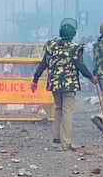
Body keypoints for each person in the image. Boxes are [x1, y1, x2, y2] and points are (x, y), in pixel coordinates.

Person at [32, 18, 96, 151]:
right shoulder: (75, 49)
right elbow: (81, 66)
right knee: (67, 112)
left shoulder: (51, 46)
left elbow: (43, 63)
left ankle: (57, 136)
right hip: (69, 84)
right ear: (73, 35)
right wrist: (91, 77)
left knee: (58, 108)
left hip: (54, 84)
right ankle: (66, 142)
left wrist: (35, 79)